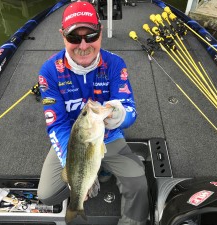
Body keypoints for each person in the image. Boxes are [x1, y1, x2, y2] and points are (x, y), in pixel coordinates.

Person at [37, 1, 149, 224]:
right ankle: (94, 176)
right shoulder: (49, 71)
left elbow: (130, 111)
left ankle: (131, 219)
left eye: (90, 35)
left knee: (138, 183)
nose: (83, 45)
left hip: (108, 135)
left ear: (100, 33)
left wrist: (116, 113)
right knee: (46, 195)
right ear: (62, 35)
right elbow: (56, 125)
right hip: (71, 139)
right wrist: (74, 172)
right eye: (74, 37)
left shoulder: (116, 64)